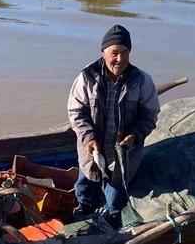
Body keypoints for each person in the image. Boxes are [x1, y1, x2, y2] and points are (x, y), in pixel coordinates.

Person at [67, 24, 160, 228]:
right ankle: (84, 209)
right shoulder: (87, 77)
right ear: (103, 52)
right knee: (86, 186)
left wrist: (136, 134)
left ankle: (113, 218)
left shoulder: (141, 80)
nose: (120, 59)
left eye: (125, 52)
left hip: (124, 155)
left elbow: (150, 115)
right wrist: (88, 137)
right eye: (114, 53)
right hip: (92, 153)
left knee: (116, 199)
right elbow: (76, 112)